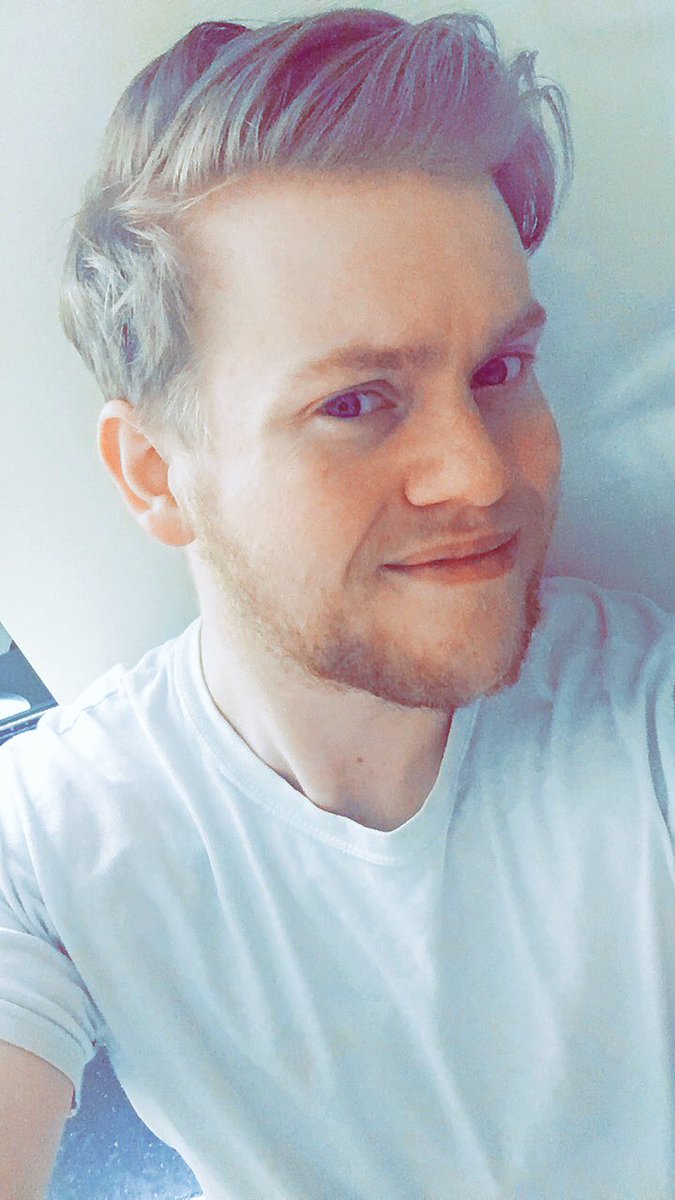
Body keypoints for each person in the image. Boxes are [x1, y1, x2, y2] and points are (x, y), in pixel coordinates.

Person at [1, 9, 673, 1199]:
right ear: (155, 475)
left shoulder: (647, 721)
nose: (479, 474)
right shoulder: (53, 845)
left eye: (500, 371)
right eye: (356, 402)